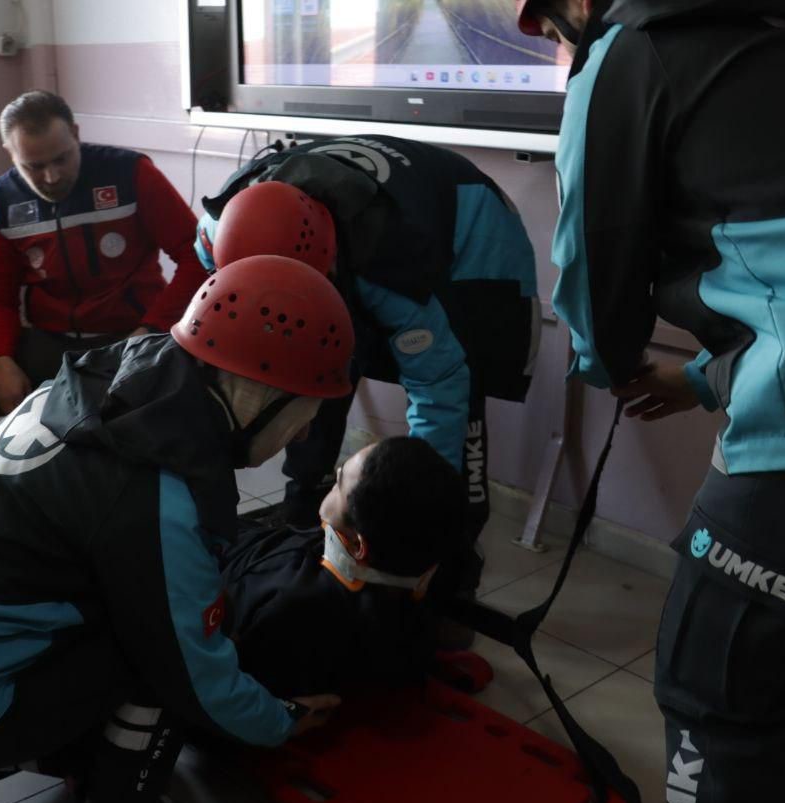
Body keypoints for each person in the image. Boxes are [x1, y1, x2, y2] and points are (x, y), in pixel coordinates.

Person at [517, 0, 785, 803]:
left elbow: (596, 273)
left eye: (557, 33)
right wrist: (706, 377)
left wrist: (607, 363)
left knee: (717, 697)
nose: (565, 49)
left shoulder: (637, 48)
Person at [0, 255, 354, 803]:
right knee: (163, 647)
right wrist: (279, 721)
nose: (303, 434)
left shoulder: (120, 373)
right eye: (304, 414)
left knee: (140, 602)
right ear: (258, 395)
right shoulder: (157, 488)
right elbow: (193, 669)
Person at [195, 135, 541, 597]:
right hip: (364, 227)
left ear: (329, 264)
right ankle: (304, 512)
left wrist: (416, 504)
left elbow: (439, 384)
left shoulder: (391, 268)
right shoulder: (217, 231)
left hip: (472, 233)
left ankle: (453, 566)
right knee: (317, 360)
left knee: (462, 389)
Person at [0, 90, 208, 426]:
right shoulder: (1, 201)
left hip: (132, 334)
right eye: (34, 166)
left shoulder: (131, 173)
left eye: (61, 159)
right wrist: (0, 360)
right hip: (53, 341)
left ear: (76, 135)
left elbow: (197, 257)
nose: (51, 177)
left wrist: (150, 328)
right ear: (10, 153)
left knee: (179, 397)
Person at [223, 435, 466, 698]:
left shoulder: (292, 610)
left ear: (358, 545)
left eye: (338, 483)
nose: (334, 478)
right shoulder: (424, 568)